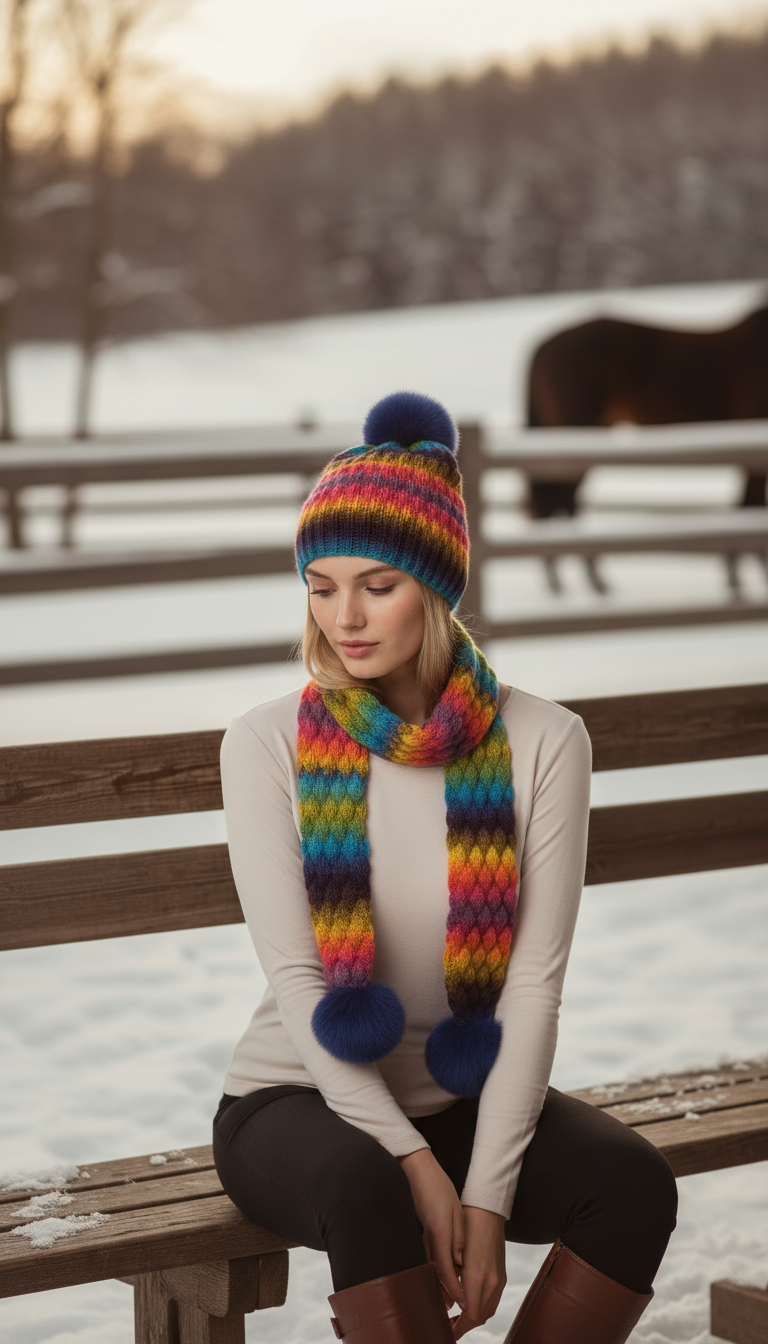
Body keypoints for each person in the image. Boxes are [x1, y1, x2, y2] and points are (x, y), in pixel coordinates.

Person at [213, 391, 677, 1343]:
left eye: (377, 585)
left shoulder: (546, 739)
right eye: (320, 584)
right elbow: (301, 983)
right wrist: (421, 1169)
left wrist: (488, 1195)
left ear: (435, 586)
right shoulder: (267, 743)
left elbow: (533, 987)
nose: (343, 616)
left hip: (462, 1096)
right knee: (367, 1181)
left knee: (632, 1185)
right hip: (294, 1099)